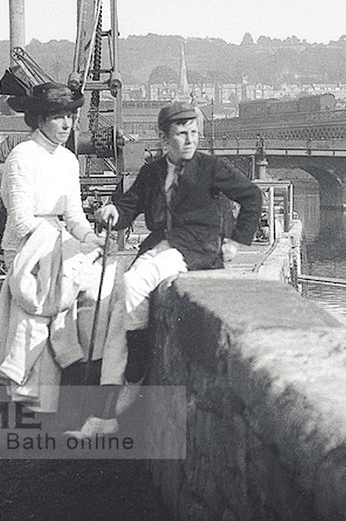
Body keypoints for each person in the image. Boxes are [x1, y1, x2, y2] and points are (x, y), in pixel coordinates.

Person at [95, 101, 262, 387]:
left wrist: (235, 240)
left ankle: (136, 358)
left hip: (197, 250)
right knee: (124, 289)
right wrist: (112, 211)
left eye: (194, 133)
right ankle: (121, 374)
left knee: (136, 281)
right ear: (164, 139)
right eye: (182, 134)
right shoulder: (152, 172)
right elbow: (128, 207)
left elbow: (252, 196)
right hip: (160, 245)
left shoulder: (211, 168)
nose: (190, 140)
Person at [0, 82, 117, 413]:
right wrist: (62, 242)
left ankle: (86, 364)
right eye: (58, 117)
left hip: (58, 241)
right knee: (52, 294)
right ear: (39, 119)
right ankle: (52, 374)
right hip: (27, 246)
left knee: (104, 279)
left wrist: (90, 239)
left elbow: (74, 215)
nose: (67, 124)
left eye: (70, 116)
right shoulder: (22, 156)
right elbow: (21, 219)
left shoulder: (68, 159)